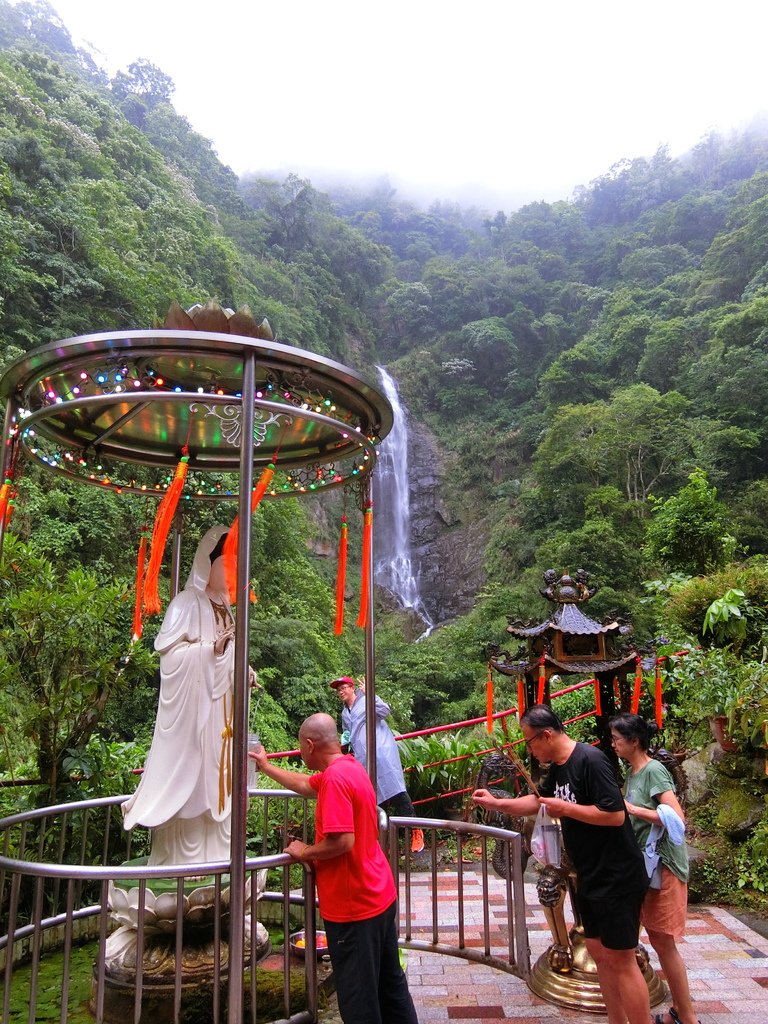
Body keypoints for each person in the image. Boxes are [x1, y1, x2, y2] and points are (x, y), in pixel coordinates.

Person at [472, 704, 651, 1024]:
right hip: (589, 874)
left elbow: (614, 815)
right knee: (600, 955)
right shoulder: (558, 766)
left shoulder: (590, 760)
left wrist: (566, 810)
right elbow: (539, 802)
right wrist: (497, 802)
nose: (528, 748)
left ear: (547, 734)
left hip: (617, 875)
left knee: (623, 960)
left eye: (529, 741)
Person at [250, 712, 419, 1024]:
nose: (300, 753)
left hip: (354, 905)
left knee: (358, 999)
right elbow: (304, 784)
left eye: (301, 747)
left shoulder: (336, 780)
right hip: (379, 896)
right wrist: (267, 766)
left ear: (310, 745)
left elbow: (342, 842)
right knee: (390, 987)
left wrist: (305, 851)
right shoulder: (349, 768)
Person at [123, 525, 245, 865]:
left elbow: (229, 656)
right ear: (209, 563)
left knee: (221, 779)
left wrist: (240, 670)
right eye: (229, 564)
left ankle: (220, 853)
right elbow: (170, 657)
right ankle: (182, 860)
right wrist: (210, 650)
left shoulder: (224, 604)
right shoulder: (186, 603)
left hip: (223, 711)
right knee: (196, 779)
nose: (234, 572)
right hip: (194, 716)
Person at [609, 713, 699, 1024]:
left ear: (634, 741)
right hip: (647, 868)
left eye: (617, 739)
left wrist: (631, 809)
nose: (613, 744)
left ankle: (688, 1017)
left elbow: (676, 817)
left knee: (663, 941)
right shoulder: (633, 773)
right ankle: (682, 1013)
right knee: (658, 939)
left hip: (664, 866)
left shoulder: (654, 771)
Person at [330, 675, 424, 853]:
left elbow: (385, 711)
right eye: (338, 690)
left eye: (343, 687)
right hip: (363, 759)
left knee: (397, 793)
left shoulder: (366, 701)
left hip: (381, 753)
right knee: (375, 800)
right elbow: (348, 734)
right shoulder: (344, 713)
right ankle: (383, 843)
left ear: (352, 688)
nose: (340, 691)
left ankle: (416, 832)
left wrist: (371, 694)